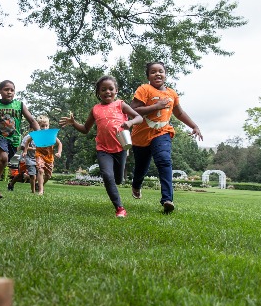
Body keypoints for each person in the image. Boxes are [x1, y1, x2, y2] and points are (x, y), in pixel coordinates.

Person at [60, 75, 143, 217]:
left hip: (121, 147)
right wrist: (74, 123)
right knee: (107, 175)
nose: (107, 92)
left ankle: (118, 184)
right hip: (103, 149)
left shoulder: (120, 104)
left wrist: (129, 123)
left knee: (118, 179)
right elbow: (86, 129)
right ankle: (120, 208)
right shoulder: (95, 109)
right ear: (98, 93)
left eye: (111, 89)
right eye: (103, 89)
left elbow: (139, 117)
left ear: (116, 90)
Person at [129, 62, 203, 213]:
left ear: (165, 74)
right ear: (148, 76)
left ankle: (167, 200)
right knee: (141, 168)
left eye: (160, 71)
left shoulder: (172, 94)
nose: (157, 74)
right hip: (140, 137)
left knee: (164, 160)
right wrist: (156, 106)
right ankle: (136, 185)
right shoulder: (144, 89)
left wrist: (194, 126)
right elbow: (132, 111)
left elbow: (179, 113)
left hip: (162, 132)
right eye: (153, 72)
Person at [0, 80, 40, 198]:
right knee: (3, 158)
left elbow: (32, 121)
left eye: (12, 90)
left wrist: (40, 135)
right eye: (6, 90)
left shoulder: (19, 105)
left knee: (1, 163)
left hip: (14, 139)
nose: (9, 92)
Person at [22, 115, 62, 195]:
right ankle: (40, 191)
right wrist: (25, 151)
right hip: (39, 155)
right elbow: (27, 141)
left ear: (48, 125)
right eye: (42, 126)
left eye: (46, 126)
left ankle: (39, 185)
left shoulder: (51, 134)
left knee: (48, 175)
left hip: (49, 157)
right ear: (39, 126)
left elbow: (59, 143)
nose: (44, 128)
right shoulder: (37, 134)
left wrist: (59, 152)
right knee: (40, 170)